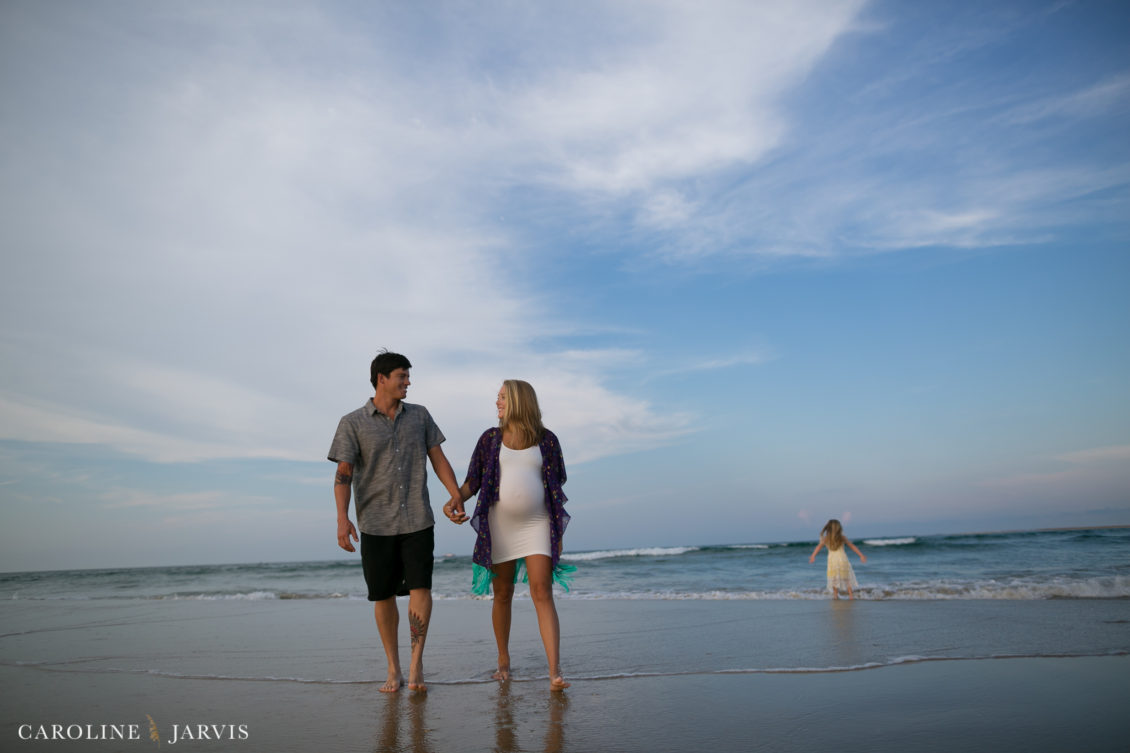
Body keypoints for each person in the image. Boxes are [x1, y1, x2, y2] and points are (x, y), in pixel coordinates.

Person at [329, 350, 462, 693]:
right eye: (402, 376)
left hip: (418, 517)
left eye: (408, 376)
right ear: (381, 379)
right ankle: (393, 667)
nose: (408, 382)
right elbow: (343, 475)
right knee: (382, 595)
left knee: (421, 588)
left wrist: (455, 494)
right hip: (375, 523)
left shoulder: (420, 416)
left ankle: (416, 665)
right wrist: (342, 520)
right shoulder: (352, 422)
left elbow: (438, 457)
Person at [443, 379, 573, 690]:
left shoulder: (547, 440)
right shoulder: (490, 439)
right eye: (498, 398)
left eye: (502, 397)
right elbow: (473, 481)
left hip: (537, 523)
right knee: (502, 594)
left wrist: (556, 528)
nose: (497, 403)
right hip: (499, 525)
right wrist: (455, 500)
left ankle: (555, 672)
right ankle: (503, 663)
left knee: (542, 592)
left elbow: (558, 481)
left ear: (518, 400)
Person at [809, 519, 867, 599]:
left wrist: (813, 556)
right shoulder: (842, 537)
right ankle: (851, 596)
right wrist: (861, 555)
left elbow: (818, 547)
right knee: (847, 579)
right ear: (839, 528)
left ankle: (835, 596)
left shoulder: (826, 538)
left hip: (832, 561)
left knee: (834, 579)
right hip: (843, 560)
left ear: (828, 528)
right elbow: (852, 546)